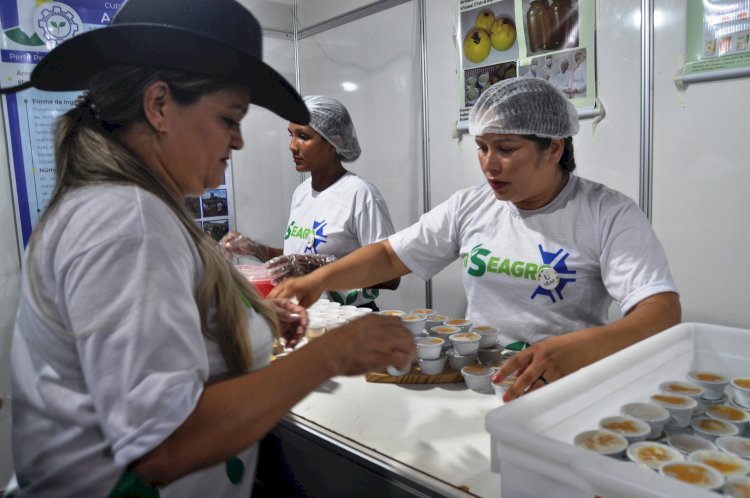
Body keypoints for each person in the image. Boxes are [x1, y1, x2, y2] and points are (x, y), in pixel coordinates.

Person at [5, 1, 415, 496]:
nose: (239, 141)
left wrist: (245, 319)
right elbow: (166, 446)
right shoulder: (124, 220)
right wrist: (332, 353)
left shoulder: (128, 205)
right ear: (158, 106)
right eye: (228, 118)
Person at [271, 77, 680, 402]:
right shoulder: (472, 205)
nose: (489, 163)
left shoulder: (606, 213)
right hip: (484, 378)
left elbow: (660, 311)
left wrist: (580, 346)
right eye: (481, 147)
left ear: (553, 148)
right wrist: (316, 281)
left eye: (505, 148)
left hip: (561, 385)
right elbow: (388, 256)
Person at [221, 95, 398, 309]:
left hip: (349, 318)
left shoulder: (360, 195)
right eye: (291, 135)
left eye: (303, 136)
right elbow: (298, 257)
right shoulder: (302, 193)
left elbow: (391, 275)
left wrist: (320, 265)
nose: (292, 146)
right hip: (307, 314)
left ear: (335, 143)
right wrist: (255, 249)